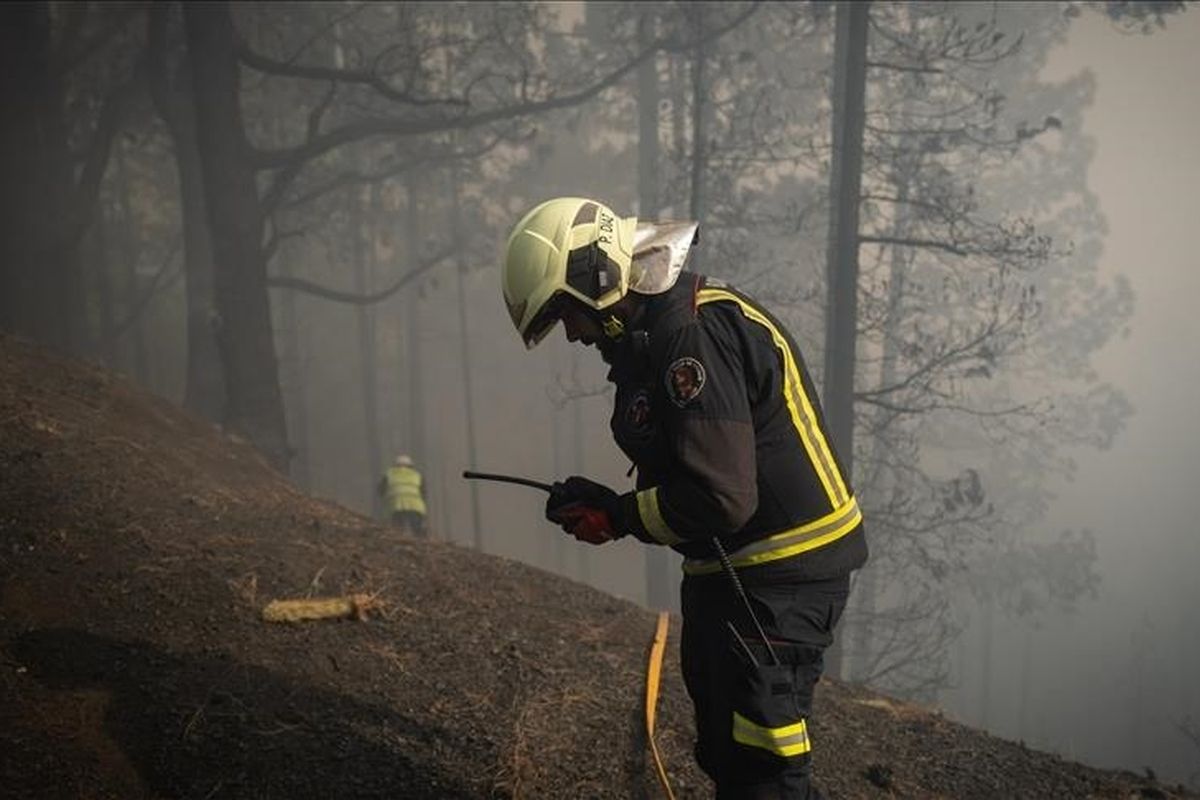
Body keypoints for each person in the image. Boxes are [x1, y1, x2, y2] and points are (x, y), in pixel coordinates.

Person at [500, 197, 867, 799]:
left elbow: (721, 499)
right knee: (726, 751)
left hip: (783, 579)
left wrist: (620, 516)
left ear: (597, 278)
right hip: (735, 574)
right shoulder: (655, 333)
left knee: (763, 768)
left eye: (565, 312)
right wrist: (613, 506)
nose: (569, 332)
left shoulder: (689, 333)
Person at [379, 454, 428, 538]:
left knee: (398, 529)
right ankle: (422, 545)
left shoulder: (389, 474)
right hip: (415, 506)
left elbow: (380, 490)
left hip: (396, 505)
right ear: (411, 466)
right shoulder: (417, 475)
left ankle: (398, 541)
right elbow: (423, 492)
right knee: (418, 530)